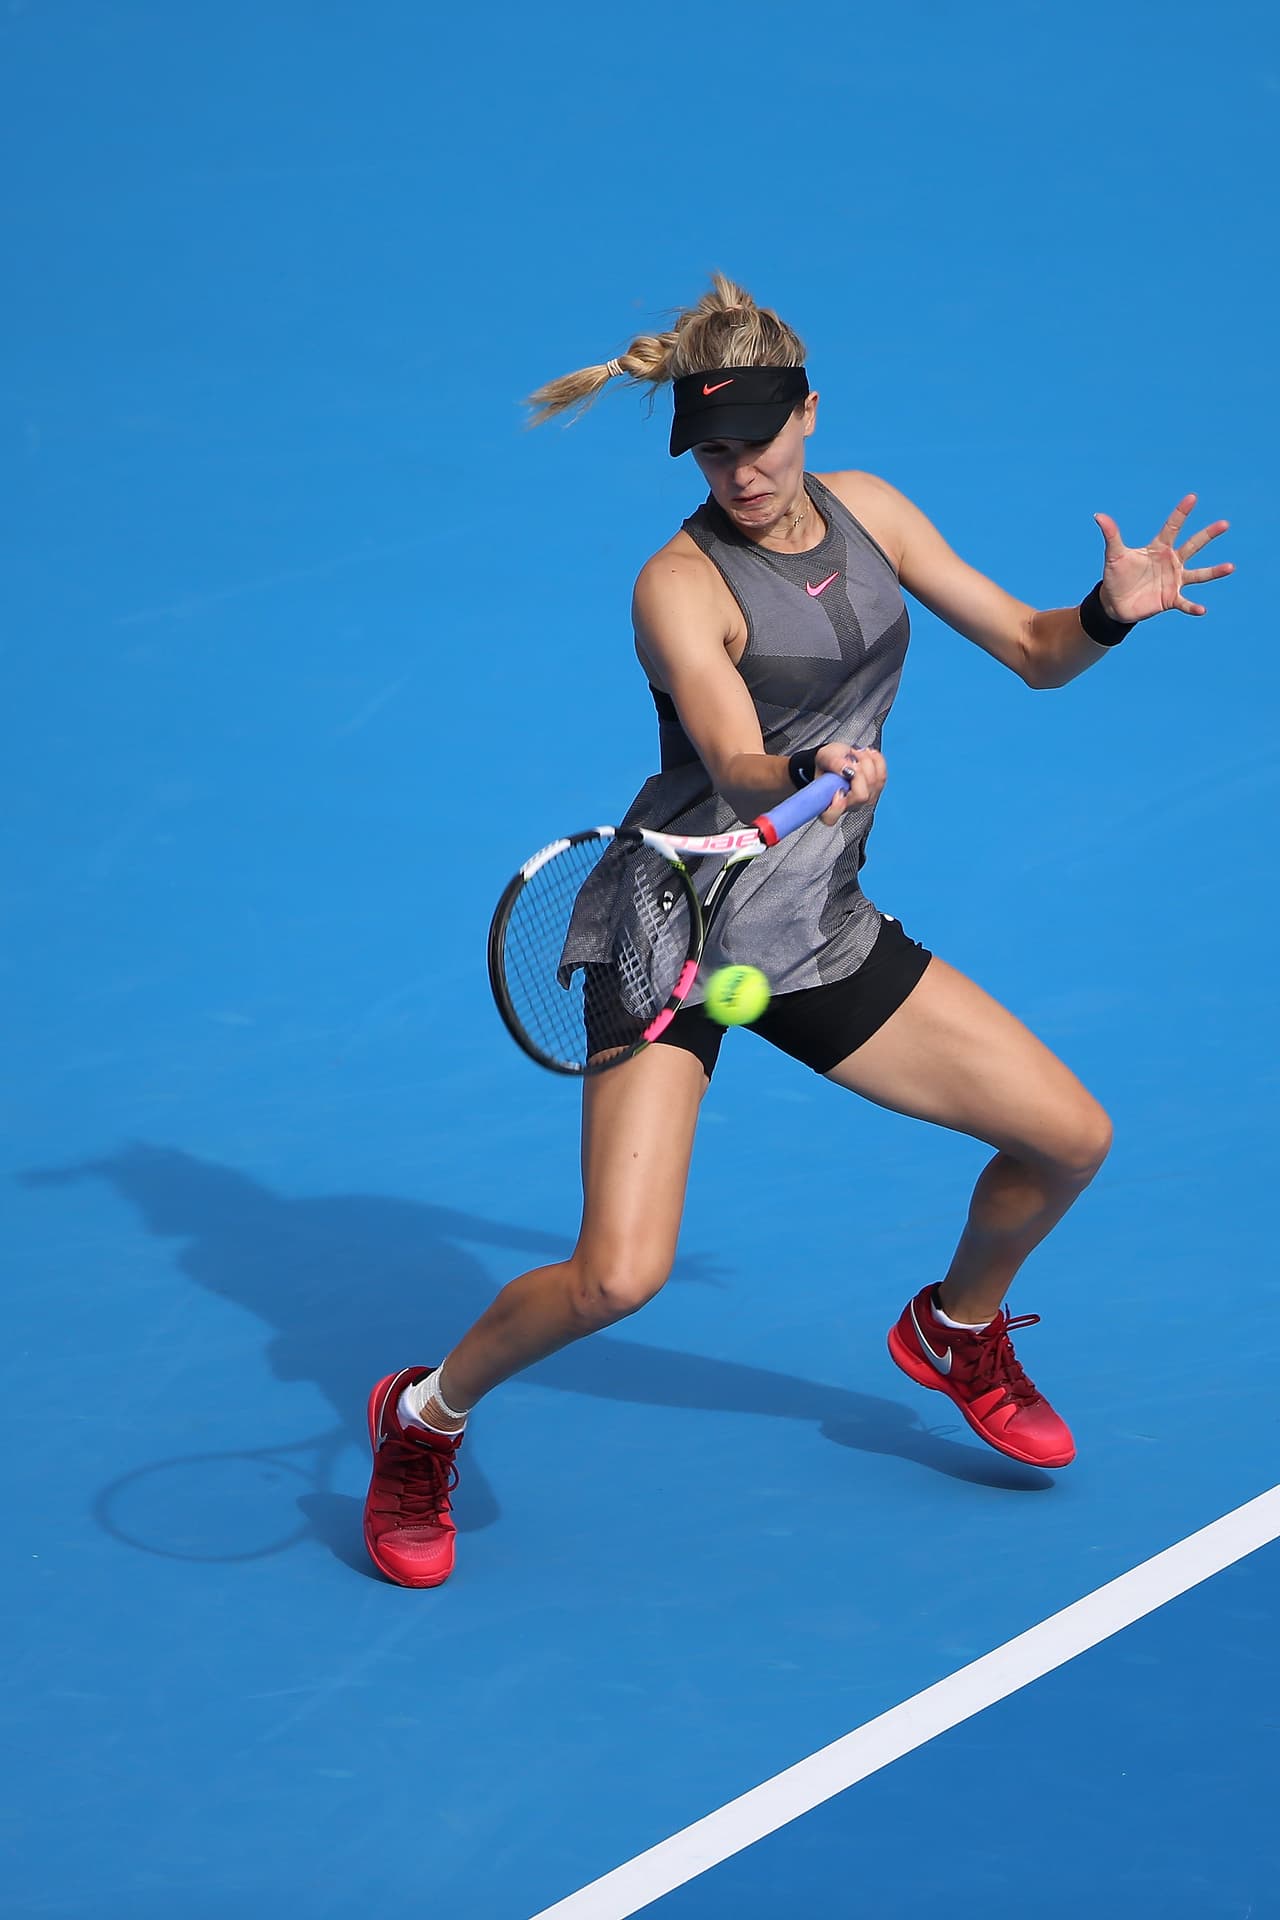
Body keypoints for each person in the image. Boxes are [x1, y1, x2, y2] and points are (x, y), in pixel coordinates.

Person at [362, 274, 1232, 1588]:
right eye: (710, 451)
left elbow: (1035, 649)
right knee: (617, 1279)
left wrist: (1109, 609)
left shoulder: (872, 511)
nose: (738, 473)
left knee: (1067, 1139)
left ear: (808, 413)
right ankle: (422, 1417)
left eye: (756, 443)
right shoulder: (678, 584)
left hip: (810, 927)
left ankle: (956, 1329)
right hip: (680, 935)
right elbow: (730, 752)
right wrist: (806, 763)